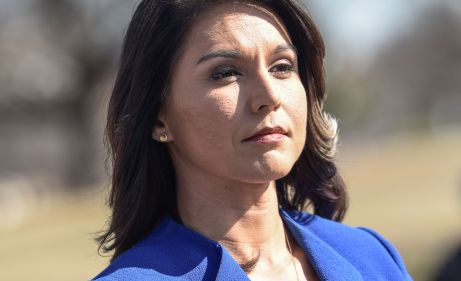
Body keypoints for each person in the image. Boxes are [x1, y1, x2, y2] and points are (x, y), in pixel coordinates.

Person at [93, 0, 413, 280]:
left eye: (282, 67)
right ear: (158, 115)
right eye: (225, 72)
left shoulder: (370, 255)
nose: (269, 95)